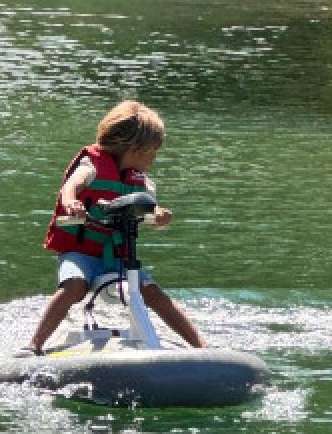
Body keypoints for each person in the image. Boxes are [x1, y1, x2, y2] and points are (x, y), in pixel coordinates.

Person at [17, 100, 206, 356]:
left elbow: (149, 209)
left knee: (154, 294)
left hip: (118, 256)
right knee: (73, 286)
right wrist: (72, 202)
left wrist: (158, 216)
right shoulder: (92, 166)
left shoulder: (142, 182)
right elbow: (72, 186)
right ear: (136, 148)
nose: (154, 157)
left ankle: (202, 347)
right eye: (153, 151)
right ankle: (34, 344)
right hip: (82, 252)